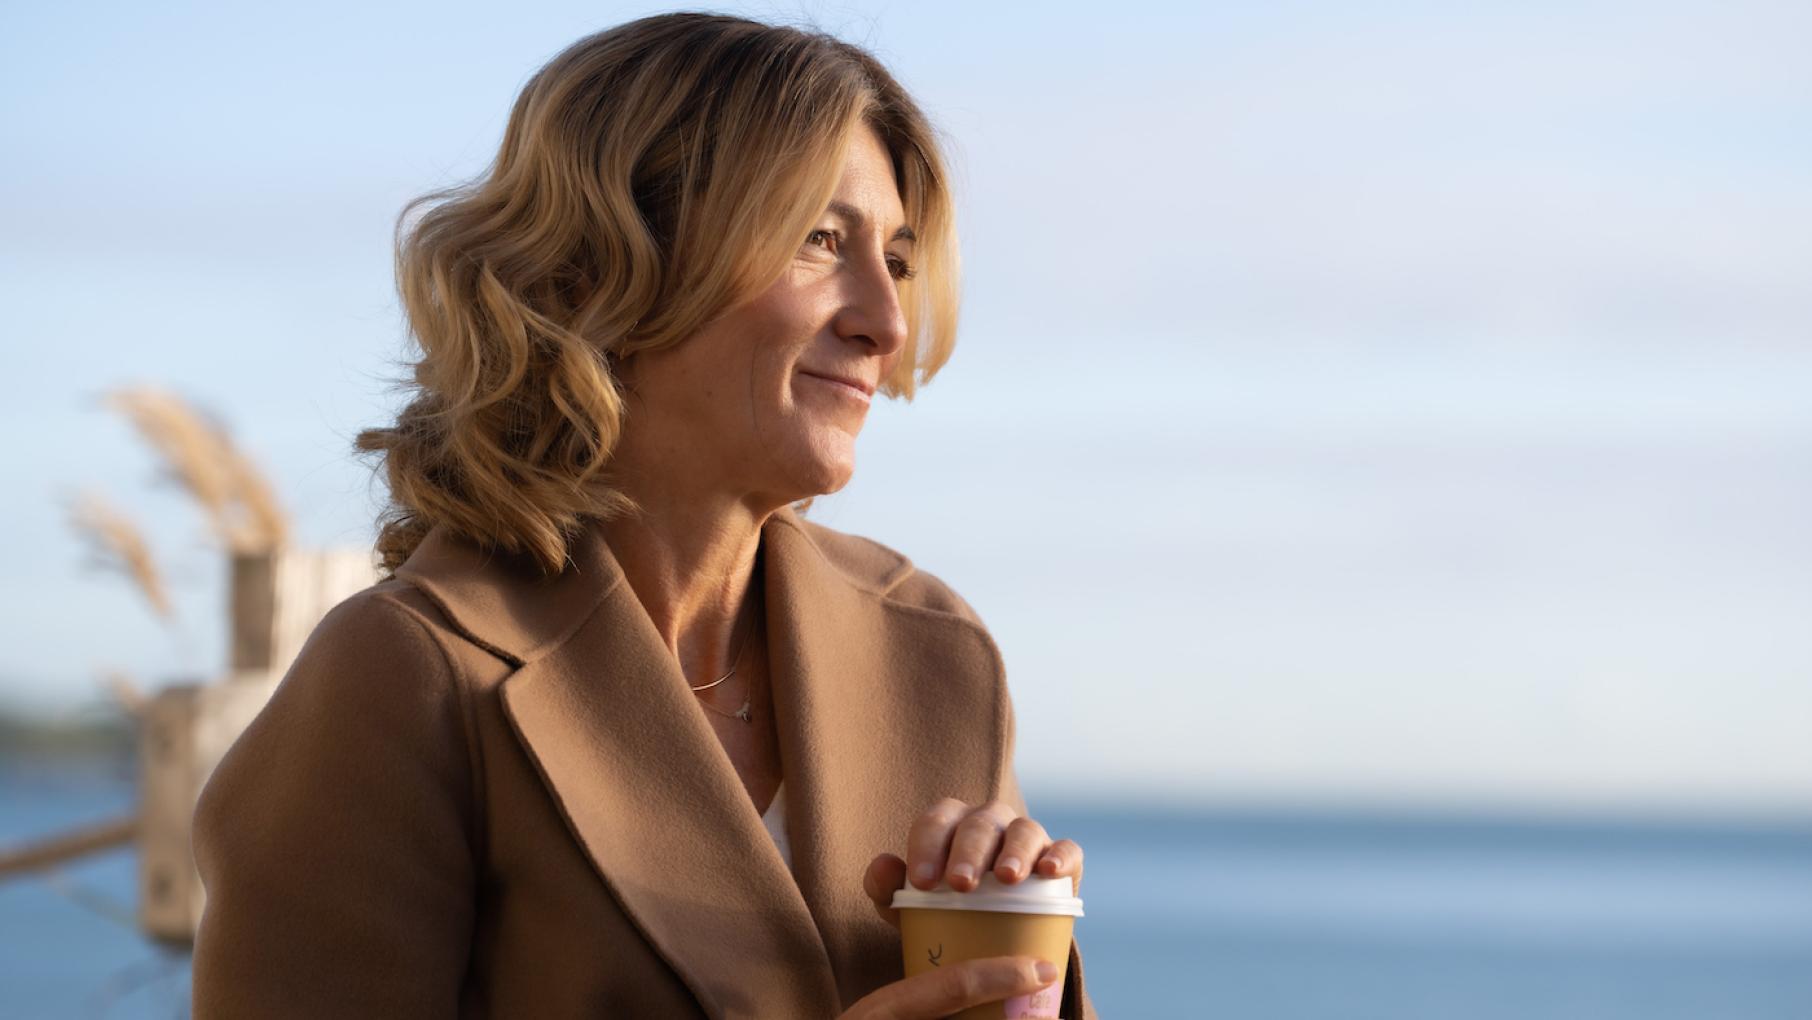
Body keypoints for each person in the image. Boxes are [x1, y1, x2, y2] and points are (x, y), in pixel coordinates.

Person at [190, 12, 1094, 1019]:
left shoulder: (932, 649)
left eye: (899, 260)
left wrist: (1026, 956)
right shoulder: (409, 679)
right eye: (820, 239)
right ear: (609, 265)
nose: (884, 321)